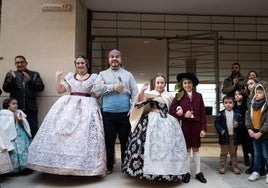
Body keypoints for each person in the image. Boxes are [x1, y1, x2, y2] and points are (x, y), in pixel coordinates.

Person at [27, 54, 106, 176]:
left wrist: (100, 86)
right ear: (75, 65)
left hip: (87, 107)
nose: (80, 65)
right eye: (77, 63)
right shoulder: (70, 76)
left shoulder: (94, 77)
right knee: (61, 133)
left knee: (84, 134)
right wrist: (57, 77)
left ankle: (84, 166)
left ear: (87, 64)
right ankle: (59, 165)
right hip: (69, 107)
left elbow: (96, 95)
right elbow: (60, 90)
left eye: (82, 63)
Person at [122, 73, 188, 181]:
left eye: (162, 83)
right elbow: (140, 104)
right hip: (152, 119)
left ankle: (168, 170)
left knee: (169, 145)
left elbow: (174, 107)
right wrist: (142, 91)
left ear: (165, 84)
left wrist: (179, 109)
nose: (160, 85)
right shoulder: (150, 94)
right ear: (155, 83)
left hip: (168, 121)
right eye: (158, 82)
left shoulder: (170, 95)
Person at [92, 49, 139, 174]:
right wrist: (112, 87)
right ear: (108, 59)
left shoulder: (128, 75)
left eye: (117, 57)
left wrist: (133, 108)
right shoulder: (102, 74)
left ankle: (125, 165)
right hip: (107, 114)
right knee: (109, 141)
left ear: (120, 59)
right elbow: (96, 89)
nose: (114, 59)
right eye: (112, 57)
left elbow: (135, 93)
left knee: (125, 141)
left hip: (125, 114)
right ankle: (109, 166)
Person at [169, 72, 207, 183]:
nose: (187, 85)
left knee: (196, 148)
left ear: (193, 84)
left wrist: (203, 128)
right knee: (186, 150)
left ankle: (198, 172)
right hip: (185, 125)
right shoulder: (178, 96)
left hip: (197, 125)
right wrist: (181, 115)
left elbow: (203, 113)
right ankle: (187, 172)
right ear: (182, 84)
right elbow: (171, 111)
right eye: (185, 83)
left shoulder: (199, 96)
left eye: (189, 83)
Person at [2, 55, 45, 138]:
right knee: (17, 132)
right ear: (15, 64)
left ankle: (33, 150)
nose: (20, 64)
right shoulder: (11, 74)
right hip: (16, 109)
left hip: (31, 108)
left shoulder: (34, 74)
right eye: (17, 63)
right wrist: (11, 79)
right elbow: (5, 89)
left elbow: (41, 88)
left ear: (26, 63)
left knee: (33, 130)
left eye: (22, 62)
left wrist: (30, 80)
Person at [0, 98, 32, 174]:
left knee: (23, 150)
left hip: (21, 135)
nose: (16, 105)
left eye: (16, 104)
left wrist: (21, 120)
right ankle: (15, 169)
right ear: (8, 105)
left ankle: (25, 167)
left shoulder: (19, 112)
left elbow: (24, 124)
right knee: (14, 152)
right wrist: (13, 119)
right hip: (11, 137)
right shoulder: (3, 114)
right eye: (13, 104)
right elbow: (4, 127)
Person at [214, 95, 243, 174]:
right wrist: (220, 130)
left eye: (230, 103)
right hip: (224, 136)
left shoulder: (237, 114)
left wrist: (238, 124)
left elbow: (242, 123)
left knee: (233, 153)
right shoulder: (221, 114)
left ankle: (235, 166)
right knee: (224, 152)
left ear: (233, 104)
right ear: (223, 104)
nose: (228, 104)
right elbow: (216, 123)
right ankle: (222, 166)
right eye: (226, 103)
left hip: (233, 137)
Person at [246, 81, 268, 183]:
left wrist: (261, 132)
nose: (257, 94)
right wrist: (249, 129)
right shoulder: (252, 103)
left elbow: (267, 121)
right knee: (257, 154)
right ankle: (256, 171)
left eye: (259, 92)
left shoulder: (267, 105)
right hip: (254, 133)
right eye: (256, 92)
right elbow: (247, 117)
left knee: (266, 154)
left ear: (265, 94)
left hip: (264, 134)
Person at [234, 89, 251, 166]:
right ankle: (233, 159)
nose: (237, 96)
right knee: (235, 144)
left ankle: (246, 158)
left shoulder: (246, 106)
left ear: (243, 96)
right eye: (236, 94)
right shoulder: (233, 105)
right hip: (235, 127)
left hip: (244, 127)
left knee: (245, 144)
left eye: (239, 94)